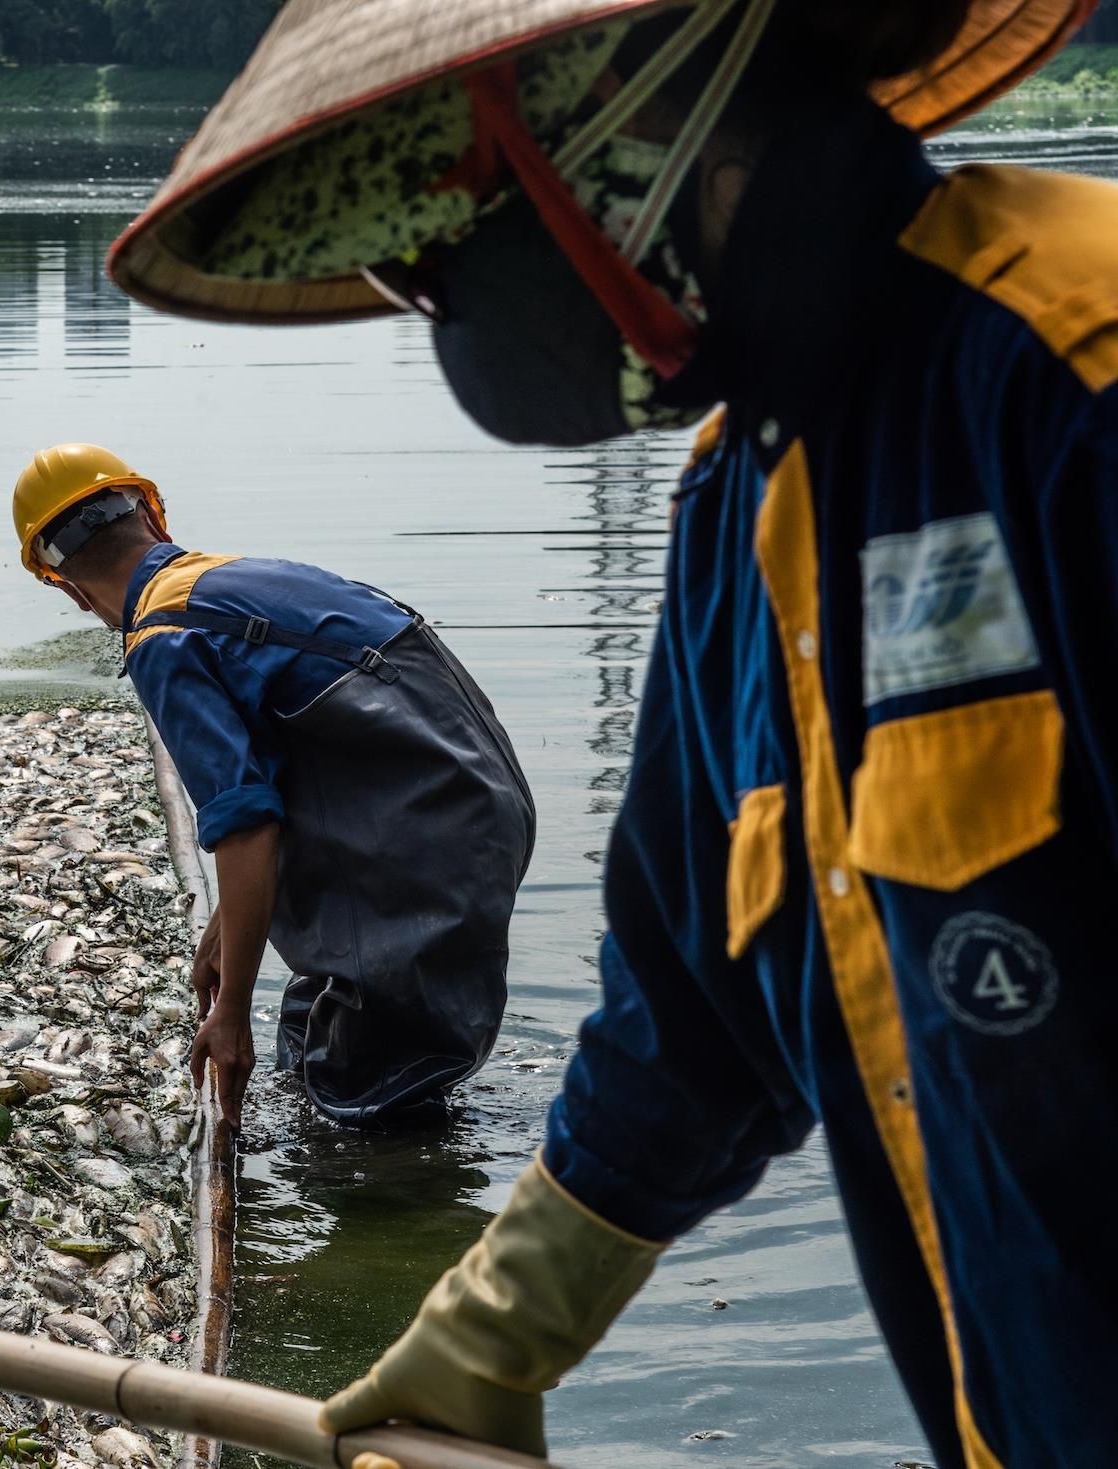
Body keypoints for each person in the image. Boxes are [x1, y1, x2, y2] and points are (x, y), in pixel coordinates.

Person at [107, 0, 1111, 1463]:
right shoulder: (737, 512)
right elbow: (695, 1014)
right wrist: (498, 1327)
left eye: (452, 230)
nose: (448, 298)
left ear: (629, 118)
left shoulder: (1070, 377)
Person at [9, 443, 536, 1127]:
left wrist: (229, 1018)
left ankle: (404, 1205)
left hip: (426, 827)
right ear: (151, 518)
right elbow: (285, 767)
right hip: (470, 796)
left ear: (70, 588)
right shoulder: (226, 579)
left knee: (379, 1102)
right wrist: (228, 927)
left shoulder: (162, 637)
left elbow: (248, 823)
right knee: (321, 1022)